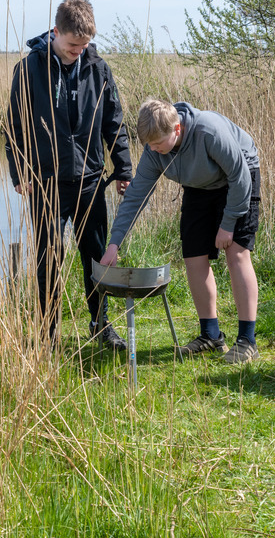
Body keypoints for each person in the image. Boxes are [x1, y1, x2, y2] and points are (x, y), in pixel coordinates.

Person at [5, 0, 132, 349]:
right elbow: (14, 127)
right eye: (74, 44)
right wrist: (19, 172)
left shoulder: (99, 68)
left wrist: (123, 167)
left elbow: (114, 121)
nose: (79, 50)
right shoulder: (30, 68)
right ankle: (47, 334)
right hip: (45, 183)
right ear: (57, 32)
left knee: (96, 258)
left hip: (90, 181)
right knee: (49, 258)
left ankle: (101, 324)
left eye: (85, 44)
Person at [99, 100, 262, 364]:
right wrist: (114, 244)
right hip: (198, 185)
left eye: (158, 144)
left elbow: (240, 177)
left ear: (177, 128)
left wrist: (228, 224)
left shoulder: (208, 132)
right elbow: (135, 197)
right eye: (149, 145)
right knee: (193, 256)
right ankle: (210, 336)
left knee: (237, 254)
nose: (154, 150)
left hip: (238, 179)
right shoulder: (155, 150)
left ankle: (247, 341)